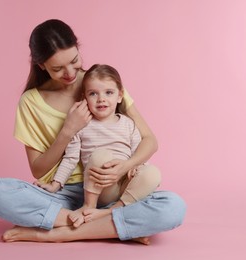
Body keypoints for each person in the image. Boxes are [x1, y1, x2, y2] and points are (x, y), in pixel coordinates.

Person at [0, 19, 186, 245]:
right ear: (41, 66)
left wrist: (125, 167)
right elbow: (38, 169)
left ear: (78, 48)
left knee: (173, 207)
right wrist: (68, 131)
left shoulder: (102, 83)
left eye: (74, 60)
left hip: (116, 187)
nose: (70, 73)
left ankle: (63, 232)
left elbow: (149, 141)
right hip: (65, 194)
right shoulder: (31, 102)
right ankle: (114, 225)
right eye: (57, 69)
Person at [37, 64, 161, 228]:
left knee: (153, 173)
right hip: (100, 189)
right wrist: (56, 184)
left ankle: (111, 211)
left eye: (108, 93)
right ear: (85, 98)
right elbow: (70, 158)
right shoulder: (81, 125)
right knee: (100, 156)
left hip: (124, 184)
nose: (101, 99)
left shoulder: (129, 124)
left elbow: (137, 152)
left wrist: (137, 167)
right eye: (93, 93)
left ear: (119, 96)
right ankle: (89, 206)